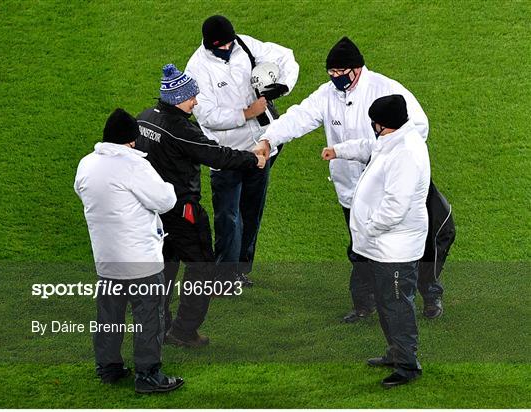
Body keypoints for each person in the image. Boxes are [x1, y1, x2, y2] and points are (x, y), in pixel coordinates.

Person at [254, 36, 442, 321]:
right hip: (352, 191)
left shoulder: (387, 90)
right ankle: (364, 304)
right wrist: (268, 139)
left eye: (341, 74)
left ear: (357, 69)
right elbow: (298, 117)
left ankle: (430, 295)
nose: (336, 79)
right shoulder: (327, 95)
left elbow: (419, 126)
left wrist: (383, 155)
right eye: (331, 74)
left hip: (390, 186)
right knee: (360, 248)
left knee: (415, 245)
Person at [135, 64, 266, 348]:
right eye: (191, 96)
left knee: (164, 267)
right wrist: (251, 159)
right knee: (202, 266)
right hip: (182, 210)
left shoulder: (144, 118)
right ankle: (184, 331)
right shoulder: (180, 129)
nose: (196, 101)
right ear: (177, 98)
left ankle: (159, 321)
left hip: (152, 212)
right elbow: (216, 156)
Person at [322, 95, 430, 388]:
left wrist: (370, 228)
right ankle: (396, 353)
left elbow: (396, 205)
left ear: (383, 124)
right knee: (387, 302)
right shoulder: (393, 140)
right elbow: (368, 146)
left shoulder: (406, 152)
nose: (371, 127)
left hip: (393, 246)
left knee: (396, 304)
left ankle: (408, 366)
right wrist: (338, 151)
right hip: (384, 245)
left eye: (374, 122)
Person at [74, 108, 183, 394]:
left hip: (106, 261)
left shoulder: (86, 164)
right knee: (149, 317)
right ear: (130, 141)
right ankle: (148, 375)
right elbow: (165, 200)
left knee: (109, 317)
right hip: (141, 262)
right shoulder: (135, 166)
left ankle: (108, 367)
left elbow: (82, 191)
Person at [185, 15, 299, 287]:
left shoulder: (244, 45)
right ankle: (224, 275)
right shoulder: (196, 69)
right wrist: (248, 112)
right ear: (208, 44)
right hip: (226, 154)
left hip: (260, 147)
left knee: (252, 209)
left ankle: (241, 269)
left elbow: (286, 56)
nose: (226, 49)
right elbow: (207, 115)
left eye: (228, 44)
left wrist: (282, 86)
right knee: (228, 215)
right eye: (220, 47)